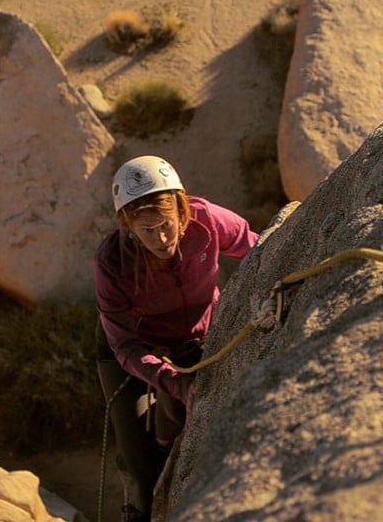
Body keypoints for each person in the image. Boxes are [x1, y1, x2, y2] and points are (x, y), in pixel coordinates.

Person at [94, 155, 258, 522]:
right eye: (146, 230)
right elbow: (125, 347)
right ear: (127, 227)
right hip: (133, 349)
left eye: (167, 224)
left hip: (198, 334)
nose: (161, 238)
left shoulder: (207, 221)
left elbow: (257, 248)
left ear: (182, 210)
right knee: (141, 468)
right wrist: (174, 382)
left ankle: (167, 421)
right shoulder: (112, 262)